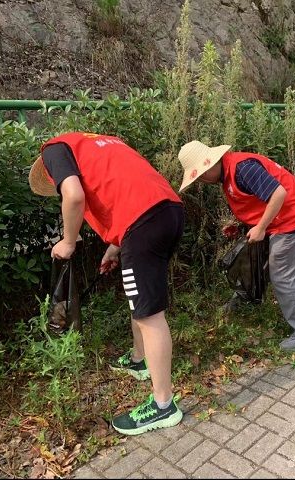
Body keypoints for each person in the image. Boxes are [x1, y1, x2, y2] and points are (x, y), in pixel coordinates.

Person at [28, 132, 184, 436]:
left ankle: (163, 406)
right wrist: (116, 246)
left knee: (150, 315)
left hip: (143, 223)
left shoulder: (54, 150)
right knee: (140, 300)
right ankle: (140, 361)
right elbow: (126, 191)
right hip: (168, 211)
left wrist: (68, 242)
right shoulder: (103, 144)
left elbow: (74, 195)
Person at [177, 140, 295, 351]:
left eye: (201, 174)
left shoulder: (243, 168)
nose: (201, 180)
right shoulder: (228, 174)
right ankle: (248, 299)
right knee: (253, 260)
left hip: (293, 220)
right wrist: (241, 225)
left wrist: (261, 228)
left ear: (212, 162)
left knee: (282, 275)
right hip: (279, 221)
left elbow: (278, 194)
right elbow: (254, 201)